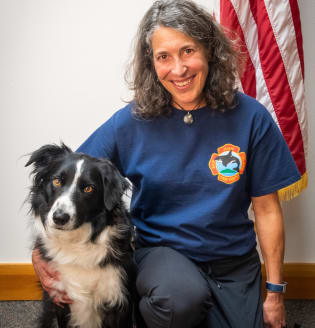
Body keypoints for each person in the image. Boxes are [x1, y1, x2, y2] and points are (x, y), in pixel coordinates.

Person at [32, 0, 301, 327]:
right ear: (151, 62)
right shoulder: (130, 122)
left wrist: (274, 294)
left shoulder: (251, 117)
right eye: (164, 57)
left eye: (188, 51)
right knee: (179, 300)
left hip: (233, 263)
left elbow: (267, 209)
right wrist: (40, 253)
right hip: (164, 258)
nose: (178, 68)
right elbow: (67, 179)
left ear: (211, 51)